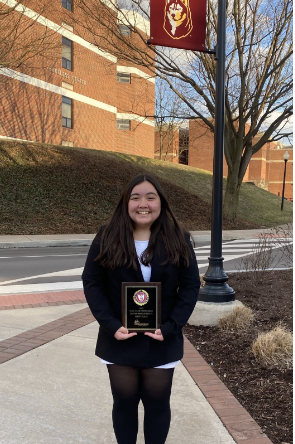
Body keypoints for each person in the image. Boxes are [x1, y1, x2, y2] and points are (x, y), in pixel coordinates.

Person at [82, 174, 200, 444]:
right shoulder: (107, 235)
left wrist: (170, 328)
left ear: (161, 202)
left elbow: (191, 286)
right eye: (135, 197)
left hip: (162, 338)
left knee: (158, 404)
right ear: (126, 202)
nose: (142, 204)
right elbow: (92, 282)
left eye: (150, 197)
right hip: (119, 338)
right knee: (123, 403)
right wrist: (111, 325)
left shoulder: (178, 238)